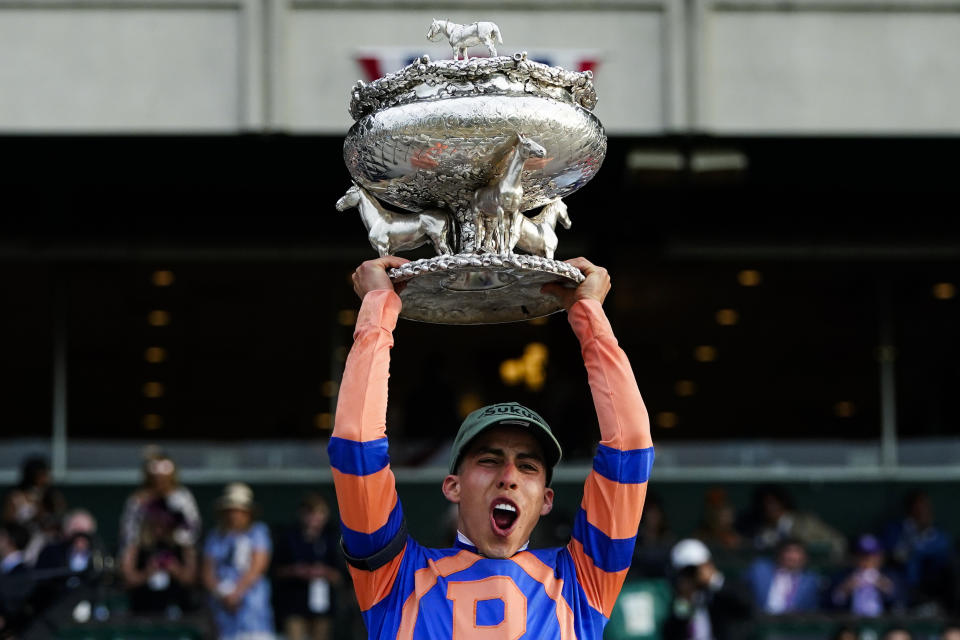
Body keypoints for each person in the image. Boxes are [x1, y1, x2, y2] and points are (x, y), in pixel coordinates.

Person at [329, 256, 654, 639]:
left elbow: (630, 447)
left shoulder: (585, 581)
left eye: (528, 466)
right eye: (489, 459)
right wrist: (377, 309)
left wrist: (590, 314)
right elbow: (356, 445)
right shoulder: (394, 579)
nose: (508, 477)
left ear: (547, 499)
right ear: (453, 485)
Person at [202, 483, 274, 640]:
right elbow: (207, 572)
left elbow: (258, 566)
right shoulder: (215, 536)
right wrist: (223, 594)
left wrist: (237, 593)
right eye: (231, 510)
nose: (234, 515)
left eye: (239, 511)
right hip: (222, 611)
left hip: (253, 610)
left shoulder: (258, 532)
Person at [272, 493, 344, 640]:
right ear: (302, 514)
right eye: (310, 513)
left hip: (323, 604)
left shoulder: (333, 538)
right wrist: (297, 571)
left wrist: (324, 572)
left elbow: (341, 575)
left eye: (319, 513)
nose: (314, 518)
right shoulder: (288, 537)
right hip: (293, 602)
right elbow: (276, 570)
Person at [662, 538, 753, 640]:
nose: (692, 575)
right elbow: (671, 633)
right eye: (687, 571)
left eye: (694, 569)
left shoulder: (722, 592)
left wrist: (714, 580)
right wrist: (684, 599)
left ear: (708, 564)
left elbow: (745, 605)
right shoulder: (677, 599)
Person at [121, 497, 197, 616]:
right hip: (143, 610)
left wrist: (175, 569)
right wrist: (147, 572)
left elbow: (191, 579)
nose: (159, 528)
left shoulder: (183, 548)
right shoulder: (136, 548)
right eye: (155, 523)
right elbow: (127, 580)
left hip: (177, 610)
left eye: (164, 523)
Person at [881, 489, 954, 611]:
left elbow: (943, 554)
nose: (922, 511)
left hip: (930, 581)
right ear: (910, 510)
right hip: (900, 577)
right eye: (918, 507)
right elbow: (890, 553)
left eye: (925, 507)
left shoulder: (938, 535)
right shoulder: (896, 530)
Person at [119, 452, 201, 555]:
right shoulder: (138, 499)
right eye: (155, 477)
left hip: (176, 550)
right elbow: (128, 531)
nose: (159, 481)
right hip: (145, 550)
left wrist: (173, 537)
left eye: (163, 477)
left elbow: (193, 527)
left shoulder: (182, 497)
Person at [739, 484, 846, 561]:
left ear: (783, 503)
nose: (769, 508)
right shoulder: (762, 530)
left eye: (773, 503)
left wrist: (828, 562)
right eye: (764, 505)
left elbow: (838, 541)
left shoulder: (806, 522)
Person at [743, 538, 822, 613]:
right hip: (760, 619)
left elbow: (812, 608)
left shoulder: (811, 580)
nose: (792, 556)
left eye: (797, 552)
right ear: (779, 554)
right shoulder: (759, 569)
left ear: (805, 557)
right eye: (788, 551)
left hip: (792, 623)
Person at [830, 534, 903, 616]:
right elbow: (832, 603)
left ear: (880, 557)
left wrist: (886, 587)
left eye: (872, 556)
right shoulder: (842, 576)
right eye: (862, 556)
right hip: (851, 622)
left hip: (882, 622)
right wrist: (845, 589)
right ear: (855, 557)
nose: (867, 560)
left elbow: (899, 603)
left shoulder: (891, 576)